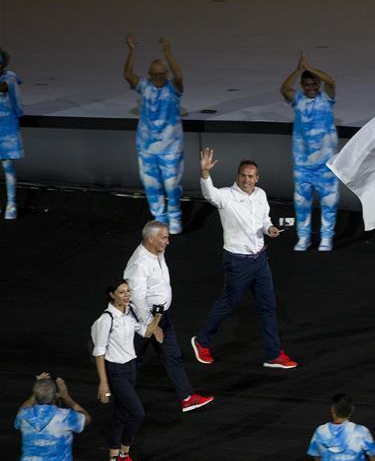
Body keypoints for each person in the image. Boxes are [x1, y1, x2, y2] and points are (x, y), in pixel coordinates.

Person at [190, 148, 298, 369]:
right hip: (237, 262)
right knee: (228, 304)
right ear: (237, 176)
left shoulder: (260, 194)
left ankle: (273, 355)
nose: (247, 180)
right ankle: (202, 341)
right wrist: (205, 173)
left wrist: (269, 229)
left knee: (268, 307)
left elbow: (265, 220)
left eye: (251, 176)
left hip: (260, 260)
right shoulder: (226, 196)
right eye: (243, 176)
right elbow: (209, 194)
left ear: (257, 178)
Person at [124, 220, 214, 413]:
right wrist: (151, 325)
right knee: (132, 360)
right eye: (164, 238)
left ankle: (187, 398)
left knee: (172, 355)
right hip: (143, 320)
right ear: (151, 239)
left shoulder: (157, 251)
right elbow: (137, 298)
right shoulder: (139, 264)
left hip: (160, 316)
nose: (168, 242)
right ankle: (120, 396)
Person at [91, 279, 163, 461]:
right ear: (112, 295)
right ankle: (124, 454)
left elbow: (145, 332)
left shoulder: (130, 311)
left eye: (128, 291)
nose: (126, 295)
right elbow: (99, 352)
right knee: (138, 413)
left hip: (131, 368)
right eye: (122, 292)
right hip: (116, 371)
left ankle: (113, 460)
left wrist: (157, 316)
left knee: (121, 414)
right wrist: (103, 383)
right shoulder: (106, 319)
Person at [123, 34, 185, 234]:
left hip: (171, 148)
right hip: (147, 148)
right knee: (151, 187)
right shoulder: (145, 87)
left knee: (172, 187)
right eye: (155, 74)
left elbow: (179, 74)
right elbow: (127, 74)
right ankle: (160, 219)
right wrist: (132, 51)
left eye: (162, 73)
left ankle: (174, 218)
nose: (159, 77)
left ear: (166, 74)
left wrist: (167, 51)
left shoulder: (173, 88)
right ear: (149, 75)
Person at [279, 51, 339, 252]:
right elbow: (284, 88)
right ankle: (303, 237)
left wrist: (310, 68)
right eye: (307, 84)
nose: (311, 87)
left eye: (314, 84)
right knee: (301, 204)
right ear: (302, 86)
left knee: (329, 203)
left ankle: (326, 238)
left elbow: (330, 81)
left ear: (318, 85)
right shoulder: (298, 100)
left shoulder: (327, 98)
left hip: (325, 165)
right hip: (303, 165)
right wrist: (298, 70)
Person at [0, 47, 24, 219]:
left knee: (8, 166)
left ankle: (11, 204)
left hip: (7, 127)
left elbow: (16, 101)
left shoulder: (10, 77)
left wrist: (17, 120)